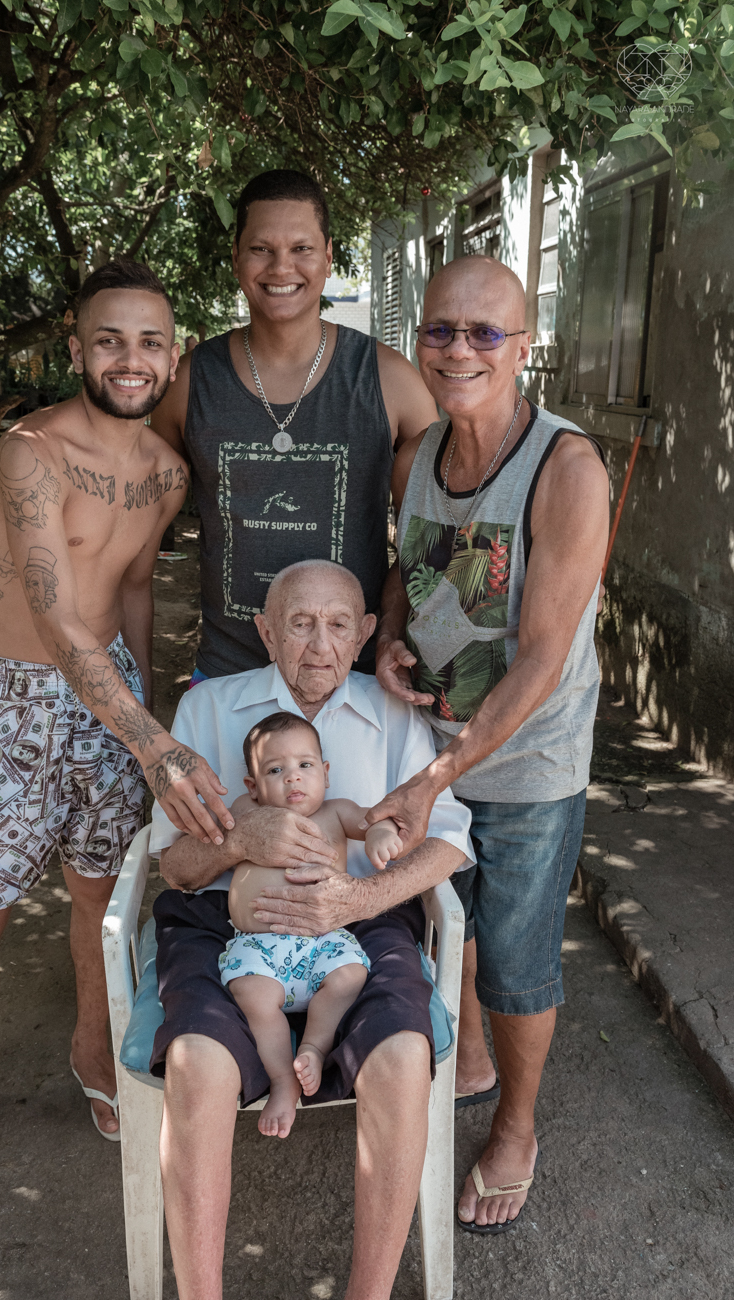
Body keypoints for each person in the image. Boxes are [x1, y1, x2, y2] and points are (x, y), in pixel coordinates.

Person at [0, 258, 234, 1197]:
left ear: (172, 358)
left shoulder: (166, 473)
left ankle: (93, 1053)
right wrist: (154, 743)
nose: (131, 360)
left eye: (150, 342)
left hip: (108, 704)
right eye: (110, 340)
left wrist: (142, 714)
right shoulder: (28, 452)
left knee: (99, 901)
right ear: (76, 349)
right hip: (6, 700)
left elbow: (128, 591)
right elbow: (53, 618)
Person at [149, 559, 474, 1300]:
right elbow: (174, 866)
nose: (319, 644)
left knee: (401, 1056)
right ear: (265, 631)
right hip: (225, 922)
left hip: (358, 916)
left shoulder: (395, 714)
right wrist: (238, 840)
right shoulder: (207, 709)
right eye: (298, 624)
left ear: (364, 634)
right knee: (197, 1065)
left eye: (337, 626)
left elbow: (451, 839)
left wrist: (364, 897)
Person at [364, 256, 609, 1234]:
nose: (458, 349)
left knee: (514, 960)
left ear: (523, 347)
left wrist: (435, 777)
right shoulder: (423, 449)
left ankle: (514, 1125)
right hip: (438, 746)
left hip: (524, 764)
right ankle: (464, 1062)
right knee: (442, 929)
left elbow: (544, 658)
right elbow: (406, 567)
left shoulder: (566, 468)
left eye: (483, 333)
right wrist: (387, 635)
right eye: (439, 331)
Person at [151, 168, 437, 681]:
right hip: (228, 677)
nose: (281, 266)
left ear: (329, 256)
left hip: (356, 682)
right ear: (235, 258)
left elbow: (432, 541)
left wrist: (392, 629)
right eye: (261, 248)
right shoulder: (190, 384)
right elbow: (137, 521)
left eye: (301, 248)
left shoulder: (390, 381)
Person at [219, 710, 405, 1138]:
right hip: (259, 947)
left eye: (304, 766)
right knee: (251, 992)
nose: (292, 779)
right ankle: (283, 1079)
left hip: (321, 943)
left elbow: (373, 820)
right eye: (275, 769)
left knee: (350, 973)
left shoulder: (336, 813)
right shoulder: (249, 812)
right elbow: (224, 831)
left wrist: (378, 834)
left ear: (324, 772)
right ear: (253, 786)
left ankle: (314, 1048)